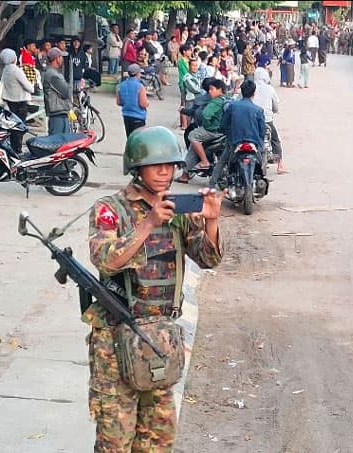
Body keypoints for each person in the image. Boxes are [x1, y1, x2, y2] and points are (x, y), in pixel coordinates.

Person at [87, 126, 222, 452]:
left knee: (158, 442)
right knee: (115, 442)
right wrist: (148, 223)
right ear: (137, 167)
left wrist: (212, 222)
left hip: (161, 338)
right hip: (116, 340)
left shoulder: (177, 211)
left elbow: (208, 258)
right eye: (156, 165)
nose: (165, 172)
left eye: (171, 165)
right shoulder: (111, 209)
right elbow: (106, 260)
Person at [214, 79, 266, 188]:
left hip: (235, 142)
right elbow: (262, 131)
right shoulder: (258, 110)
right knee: (263, 156)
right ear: (254, 93)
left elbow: (224, 125)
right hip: (253, 143)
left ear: (241, 92)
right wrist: (260, 142)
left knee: (222, 162)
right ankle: (262, 175)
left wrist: (228, 134)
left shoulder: (233, 106)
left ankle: (210, 185)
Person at [180, 78, 227, 182]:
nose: (210, 91)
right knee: (194, 145)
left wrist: (207, 125)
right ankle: (185, 174)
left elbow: (204, 114)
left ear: (219, 90)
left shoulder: (212, 101)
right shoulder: (227, 100)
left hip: (213, 131)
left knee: (192, 136)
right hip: (224, 132)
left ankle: (204, 162)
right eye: (209, 89)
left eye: (212, 89)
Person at [0, 48, 36, 152]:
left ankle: (13, 149)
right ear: (13, 58)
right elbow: (29, 87)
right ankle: (17, 151)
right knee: (19, 129)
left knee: (13, 129)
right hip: (20, 104)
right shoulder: (16, 70)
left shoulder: (5, 69)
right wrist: (32, 83)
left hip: (10, 103)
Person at [252, 67, 285, 174]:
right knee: (275, 140)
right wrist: (273, 110)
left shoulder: (250, 87)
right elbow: (276, 106)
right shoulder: (270, 89)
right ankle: (280, 165)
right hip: (267, 120)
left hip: (252, 120)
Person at [42, 48, 71, 136]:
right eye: (61, 57)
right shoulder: (52, 75)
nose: (62, 59)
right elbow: (66, 92)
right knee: (57, 143)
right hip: (57, 113)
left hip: (61, 112)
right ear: (57, 58)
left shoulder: (54, 73)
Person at [117, 64, 149, 136]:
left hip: (126, 116)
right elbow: (143, 104)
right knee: (138, 141)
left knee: (130, 139)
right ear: (137, 74)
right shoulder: (140, 87)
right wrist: (147, 103)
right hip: (138, 117)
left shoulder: (121, 86)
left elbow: (119, 102)